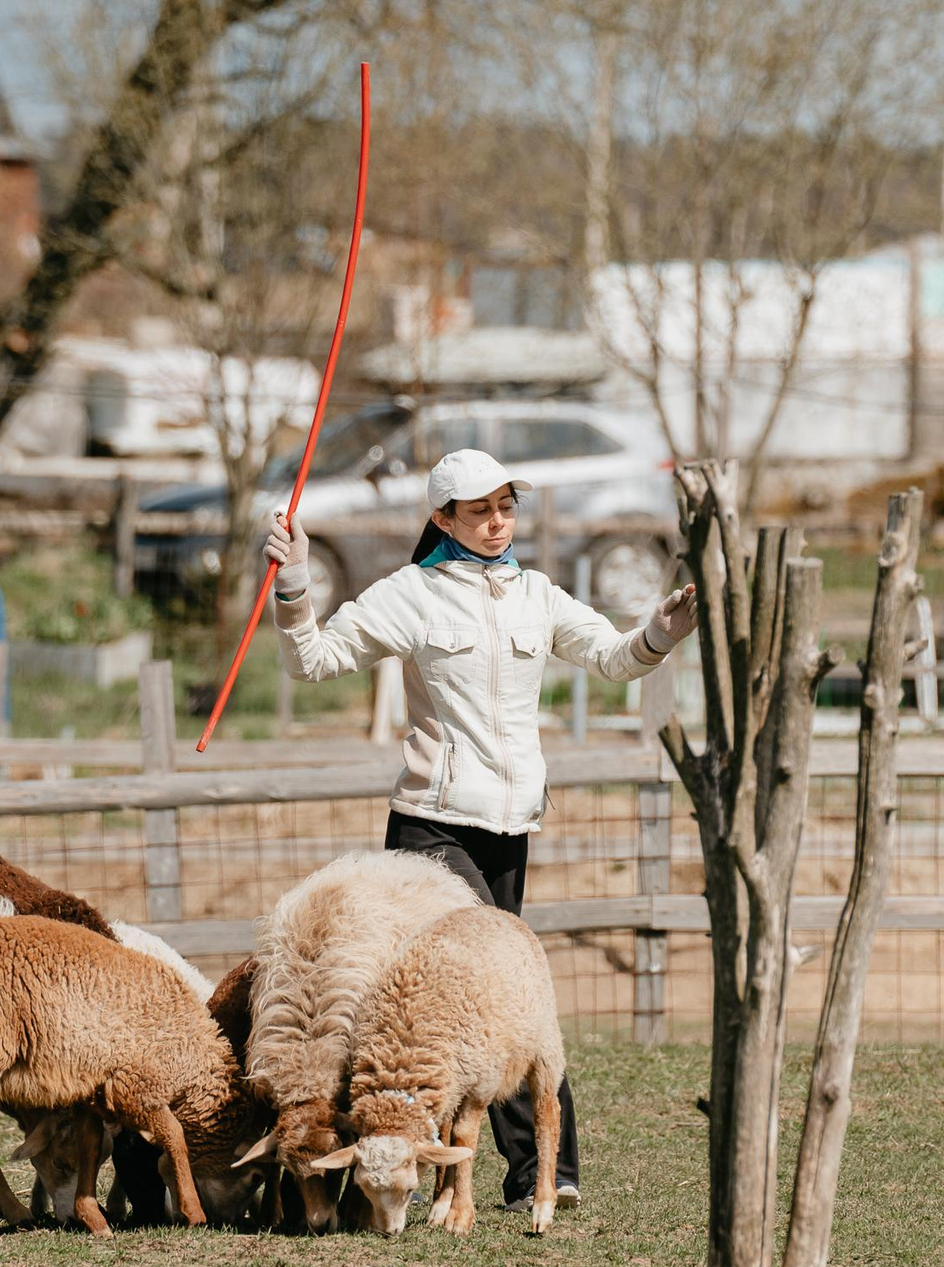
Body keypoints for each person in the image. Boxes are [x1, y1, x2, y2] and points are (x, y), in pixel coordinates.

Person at [264, 447, 696, 1209]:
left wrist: (660, 630)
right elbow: (313, 661)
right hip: (432, 830)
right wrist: (294, 582)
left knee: (505, 1001)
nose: (499, 523)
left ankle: (517, 1170)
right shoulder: (410, 595)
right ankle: (515, 1173)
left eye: (507, 507)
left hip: (509, 830)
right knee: (487, 994)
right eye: (480, 510)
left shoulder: (536, 593)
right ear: (442, 518)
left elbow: (614, 658)